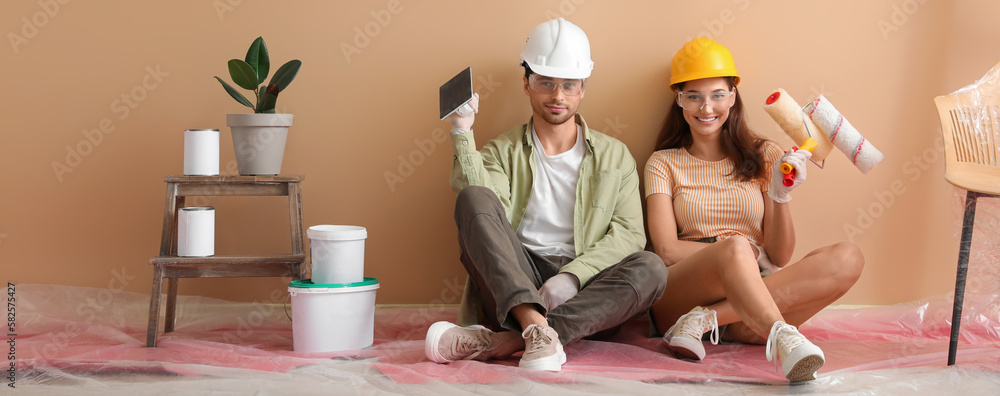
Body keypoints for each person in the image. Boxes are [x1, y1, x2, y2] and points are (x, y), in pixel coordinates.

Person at [423, 18, 667, 372]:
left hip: (587, 293)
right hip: (513, 280)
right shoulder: (502, 150)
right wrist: (462, 132)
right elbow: (481, 212)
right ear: (526, 83)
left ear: (583, 88)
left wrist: (571, 277)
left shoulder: (616, 156)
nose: (558, 96)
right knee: (474, 198)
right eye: (546, 83)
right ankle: (533, 325)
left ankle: (512, 339)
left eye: (569, 85)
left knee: (652, 267)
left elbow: (630, 235)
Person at [643, 38, 865, 382]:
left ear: (733, 95)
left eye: (718, 94)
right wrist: (744, 253)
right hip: (681, 291)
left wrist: (780, 196)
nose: (706, 107)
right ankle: (780, 335)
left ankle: (709, 320)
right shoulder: (663, 163)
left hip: (747, 304)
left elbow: (780, 254)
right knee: (734, 247)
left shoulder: (765, 155)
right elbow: (667, 250)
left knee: (849, 256)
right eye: (693, 96)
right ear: (679, 100)